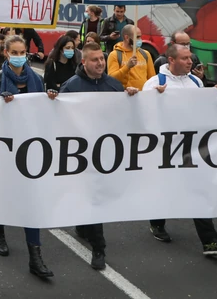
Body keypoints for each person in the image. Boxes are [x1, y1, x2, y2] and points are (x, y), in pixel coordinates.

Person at [141, 42, 217, 256]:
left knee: (198, 190)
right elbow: (143, 117)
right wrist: (153, 100)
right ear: (171, 60)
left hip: (191, 149)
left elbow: (202, 110)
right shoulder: (155, 83)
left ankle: (210, 241)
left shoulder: (195, 81)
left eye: (190, 58)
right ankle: (157, 223)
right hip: (165, 148)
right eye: (185, 58)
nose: (190, 62)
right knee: (165, 188)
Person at [58, 43, 138, 271]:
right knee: (90, 195)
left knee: (96, 196)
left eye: (102, 59)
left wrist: (131, 97)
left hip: (105, 153)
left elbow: (126, 115)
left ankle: (90, 235)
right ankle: (98, 247)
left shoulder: (113, 85)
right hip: (80, 153)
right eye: (95, 60)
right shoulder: (72, 87)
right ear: (84, 62)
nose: (100, 63)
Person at [0, 35, 54, 278]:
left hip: (30, 148)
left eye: (23, 51)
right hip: (3, 148)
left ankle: (35, 257)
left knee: (31, 200)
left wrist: (50, 100)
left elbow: (44, 112)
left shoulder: (36, 80)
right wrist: (1, 103)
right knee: (4, 194)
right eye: (15, 51)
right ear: (7, 53)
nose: (20, 55)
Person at [107, 24, 155, 90]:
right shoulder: (114, 55)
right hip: (125, 97)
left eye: (140, 37)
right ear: (126, 37)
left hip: (143, 96)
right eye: (137, 37)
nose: (140, 40)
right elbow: (112, 79)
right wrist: (127, 67)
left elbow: (152, 79)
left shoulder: (146, 54)